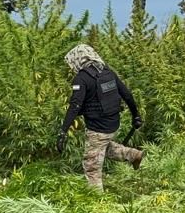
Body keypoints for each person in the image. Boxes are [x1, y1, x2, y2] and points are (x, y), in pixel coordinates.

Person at [57, 44, 143, 190]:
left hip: (98, 128)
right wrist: (136, 116)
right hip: (113, 123)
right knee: (102, 146)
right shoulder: (107, 71)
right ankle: (133, 155)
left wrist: (63, 131)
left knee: (91, 167)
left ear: (77, 59)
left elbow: (75, 106)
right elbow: (127, 94)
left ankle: (97, 203)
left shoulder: (81, 78)